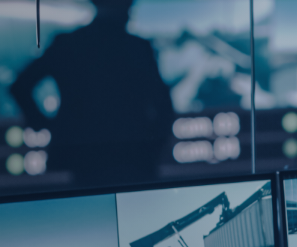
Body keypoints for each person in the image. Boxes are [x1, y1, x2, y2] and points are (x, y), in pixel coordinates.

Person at [9, 0, 174, 188]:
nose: (131, 12)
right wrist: (153, 146)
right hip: (131, 159)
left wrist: (46, 125)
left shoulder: (69, 44)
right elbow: (164, 106)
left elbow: (20, 86)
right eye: (129, 6)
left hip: (77, 158)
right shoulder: (137, 48)